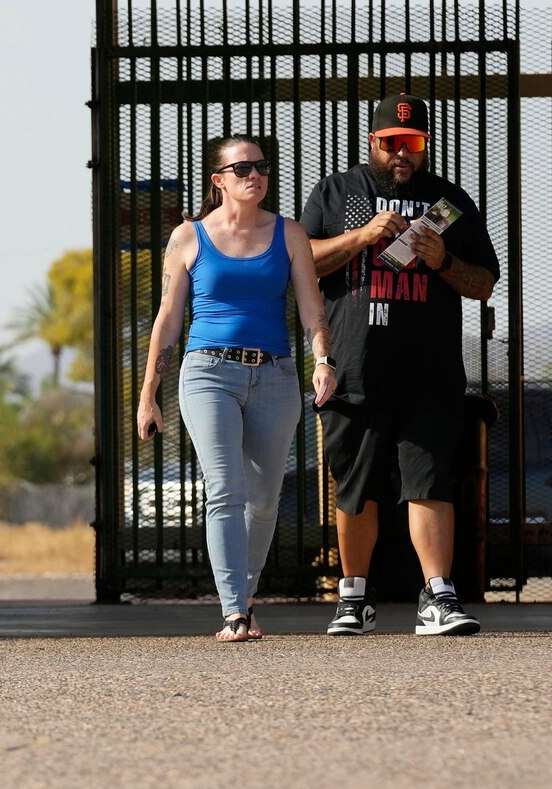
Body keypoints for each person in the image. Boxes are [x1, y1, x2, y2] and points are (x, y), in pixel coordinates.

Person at [302, 94, 499, 636]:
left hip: (429, 374)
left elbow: (484, 282)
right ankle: (354, 599)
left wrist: (443, 260)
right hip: (355, 369)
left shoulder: (450, 201)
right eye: (391, 144)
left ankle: (438, 597)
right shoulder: (336, 193)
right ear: (374, 141)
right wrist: (362, 237)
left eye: (412, 144)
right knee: (355, 487)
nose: (402, 154)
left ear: (425, 144)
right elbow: (302, 262)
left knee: (429, 484)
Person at [137, 136, 337, 642]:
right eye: (242, 168)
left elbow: (312, 307)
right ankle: (233, 611)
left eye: (262, 167)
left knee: (264, 500)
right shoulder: (188, 236)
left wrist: (322, 360)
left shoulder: (289, 233)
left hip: (275, 374)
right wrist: (148, 394)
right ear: (219, 180)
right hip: (208, 373)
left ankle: (244, 599)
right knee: (225, 488)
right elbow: (167, 319)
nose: (255, 176)